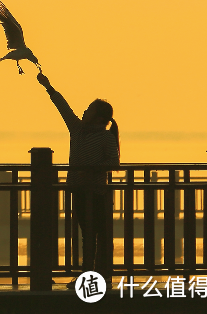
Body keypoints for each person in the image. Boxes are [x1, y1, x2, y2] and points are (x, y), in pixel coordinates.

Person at [37, 73, 119, 286]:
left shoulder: (106, 137)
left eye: (89, 110)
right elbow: (63, 107)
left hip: (97, 193)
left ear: (100, 118)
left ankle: (99, 276)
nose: (84, 111)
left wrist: (90, 170)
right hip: (79, 191)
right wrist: (48, 87)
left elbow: (114, 162)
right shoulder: (77, 130)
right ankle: (92, 276)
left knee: (98, 235)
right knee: (87, 235)